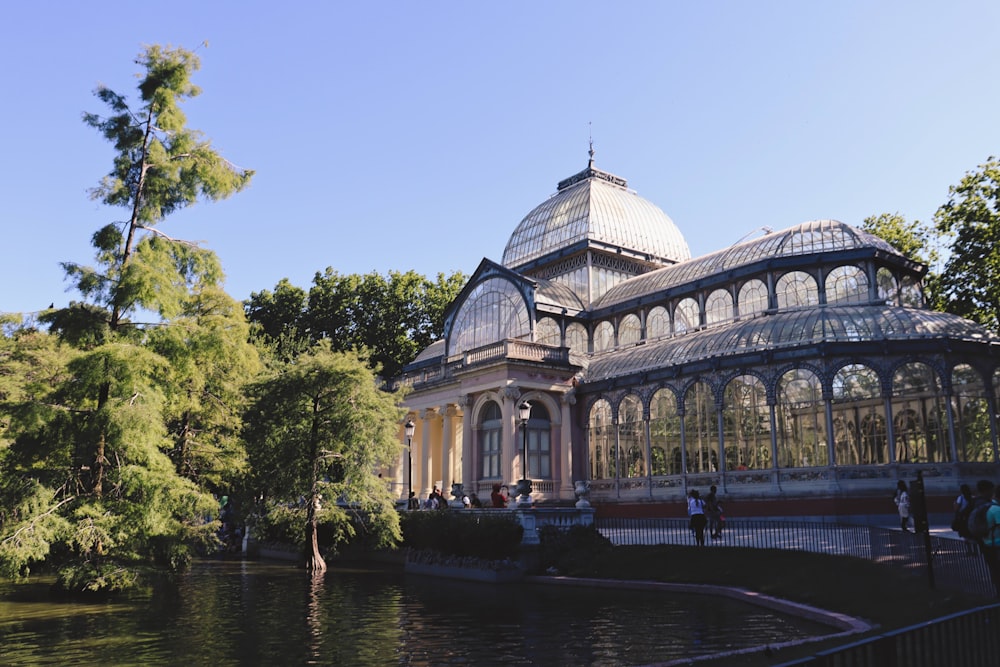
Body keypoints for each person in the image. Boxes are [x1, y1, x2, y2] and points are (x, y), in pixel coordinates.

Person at [981, 484, 1000, 597]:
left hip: (990, 544)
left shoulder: (990, 507)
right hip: (997, 545)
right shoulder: (996, 510)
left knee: (996, 571)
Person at [952, 483, 975, 554]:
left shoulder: (960, 498)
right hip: (972, 517)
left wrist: (954, 504)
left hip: (964, 518)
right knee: (972, 534)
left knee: (966, 535)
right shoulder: (972, 498)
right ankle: (975, 551)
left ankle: (969, 551)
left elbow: (957, 509)